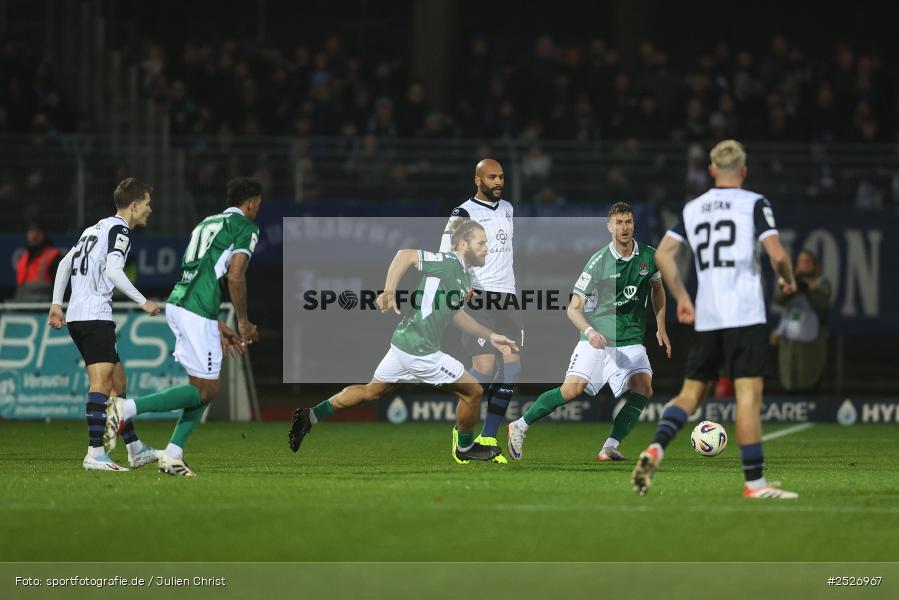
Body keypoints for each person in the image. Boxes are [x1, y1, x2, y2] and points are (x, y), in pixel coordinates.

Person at [631, 139, 800, 500]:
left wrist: (683, 299)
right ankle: (754, 485)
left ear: (711, 171)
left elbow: (663, 254)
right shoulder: (754, 202)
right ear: (743, 170)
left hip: (708, 316)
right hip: (745, 313)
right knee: (748, 399)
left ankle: (657, 448)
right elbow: (776, 252)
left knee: (689, 394)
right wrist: (786, 277)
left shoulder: (694, 208)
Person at [288, 218, 519, 463]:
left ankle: (310, 415)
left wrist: (491, 335)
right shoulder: (448, 263)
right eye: (481, 242)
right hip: (421, 350)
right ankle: (464, 448)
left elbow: (457, 316)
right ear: (463, 244)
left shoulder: (462, 275)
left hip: (403, 344)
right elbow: (405, 255)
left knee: (372, 391)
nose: (487, 248)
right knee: (472, 391)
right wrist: (389, 292)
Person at [106, 177, 261, 477]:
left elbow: (199, 269)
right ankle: (126, 409)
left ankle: (173, 455)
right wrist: (242, 321)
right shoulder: (245, 228)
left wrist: (214, 323)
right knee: (208, 389)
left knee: (200, 389)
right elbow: (236, 276)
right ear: (252, 203)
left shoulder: (206, 223)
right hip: (196, 308)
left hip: (180, 302)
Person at [507, 202, 671, 461]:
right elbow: (573, 309)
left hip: (630, 338)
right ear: (609, 227)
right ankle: (520, 425)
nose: (624, 227)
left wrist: (661, 326)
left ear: (633, 224)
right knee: (571, 390)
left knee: (643, 388)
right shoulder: (598, 262)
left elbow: (658, 289)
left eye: (628, 221)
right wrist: (590, 331)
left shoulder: (650, 256)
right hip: (598, 339)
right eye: (619, 223)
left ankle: (610, 446)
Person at [48, 177, 162, 472]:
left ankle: (135, 448)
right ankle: (95, 453)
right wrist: (143, 301)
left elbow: (64, 264)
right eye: (148, 204)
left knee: (118, 382)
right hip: (95, 316)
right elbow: (113, 270)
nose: (150, 209)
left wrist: (57, 304)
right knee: (101, 384)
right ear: (134, 205)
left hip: (77, 315)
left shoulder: (94, 228)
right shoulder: (120, 230)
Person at [439, 158, 521, 463]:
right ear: (478, 180)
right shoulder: (462, 213)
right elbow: (445, 254)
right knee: (485, 369)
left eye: (501, 177)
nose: (498, 182)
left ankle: (487, 436)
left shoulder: (509, 209)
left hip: (507, 298)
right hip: (477, 298)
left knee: (511, 368)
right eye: (492, 177)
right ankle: (463, 430)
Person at [770, 249, 832, 391]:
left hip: (811, 342)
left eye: (807, 261)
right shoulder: (790, 280)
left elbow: (823, 306)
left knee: (810, 378)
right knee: (789, 378)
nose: (803, 265)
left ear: (815, 265)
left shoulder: (821, 283)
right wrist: (792, 286)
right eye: (800, 262)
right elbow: (778, 300)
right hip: (790, 341)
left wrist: (809, 289)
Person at [14, 221, 61, 301]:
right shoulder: (23, 257)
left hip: (43, 305)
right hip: (21, 303)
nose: (34, 235)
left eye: (38, 231)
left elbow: (60, 288)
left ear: (44, 235)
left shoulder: (54, 256)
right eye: (31, 231)